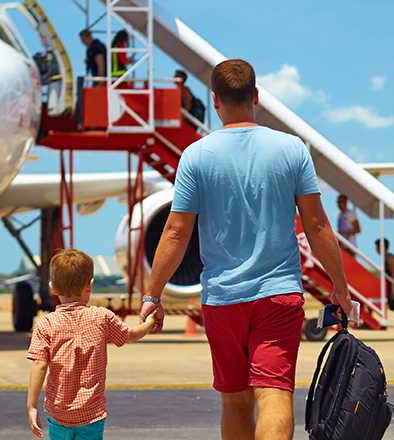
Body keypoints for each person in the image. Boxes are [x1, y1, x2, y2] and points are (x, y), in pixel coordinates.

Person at [140, 59, 352, 440]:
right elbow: (318, 225)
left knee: (235, 400)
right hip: (278, 295)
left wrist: (152, 295)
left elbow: (175, 232)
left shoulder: (196, 156)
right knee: (274, 395)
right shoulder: (291, 150)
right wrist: (340, 286)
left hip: (223, 300)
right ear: (255, 96)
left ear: (215, 100)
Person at [26, 249, 155, 439]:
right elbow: (130, 335)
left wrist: (31, 405)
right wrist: (149, 324)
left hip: (58, 412)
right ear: (90, 285)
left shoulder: (46, 324)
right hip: (91, 413)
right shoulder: (101, 317)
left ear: (53, 288)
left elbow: (39, 364)